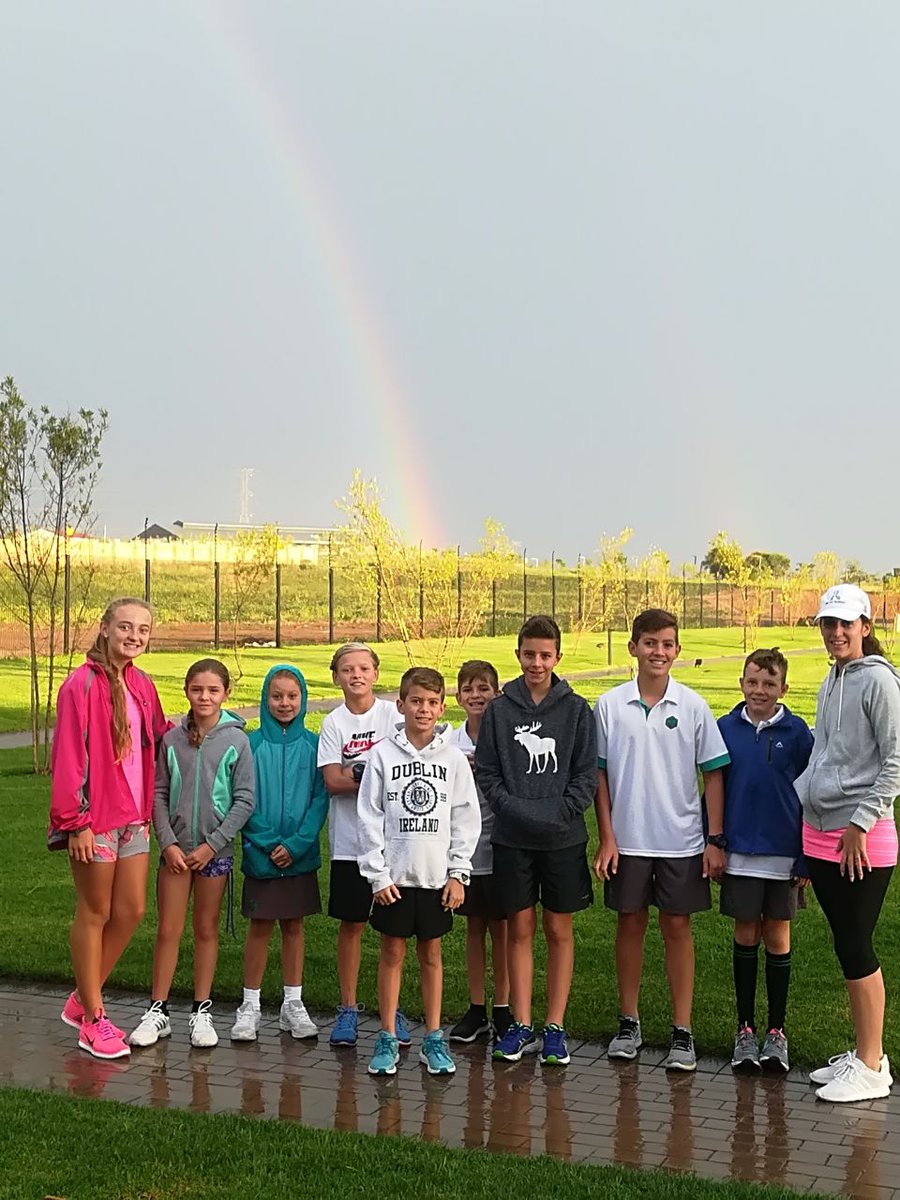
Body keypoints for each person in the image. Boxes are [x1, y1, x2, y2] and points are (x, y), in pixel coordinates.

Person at [594, 608, 729, 1072]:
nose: (659, 651)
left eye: (667, 643)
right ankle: (628, 1022)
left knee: (677, 928)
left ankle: (682, 1030)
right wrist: (607, 838)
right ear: (633, 647)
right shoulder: (609, 705)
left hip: (681, 841)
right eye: (649, 642)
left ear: (678, 650)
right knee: (629, 925)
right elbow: (600, 777)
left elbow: (713, 776)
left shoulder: (693, 706)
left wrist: (714, 840)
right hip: (628, 842)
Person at [475, 615, 597, 1067]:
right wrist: (517, 810)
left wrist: (558, 814)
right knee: (519, 930)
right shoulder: (501, 711)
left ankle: (555, 1027)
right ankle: (521, 1025)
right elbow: (487, 771)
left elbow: (586, 776)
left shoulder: (577, 709)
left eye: (545, 655)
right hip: (512, 838)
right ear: (518, 655)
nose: (537, 663)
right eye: (529, 654)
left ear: (558, 657)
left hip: (562, 838)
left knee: (558, 930)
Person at [50, 597, 169, 1060]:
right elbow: (67, 758)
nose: (134, 636)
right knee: (95, 912)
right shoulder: (79, 686)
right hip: (93, 819)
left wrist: (210, 727)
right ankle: (93, 1021)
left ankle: (82, 998)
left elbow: (160, 734)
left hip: (134, 817)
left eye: (142, 629)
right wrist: (74, 822)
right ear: (104, 628)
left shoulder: (142, 684)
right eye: (125, 626)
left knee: (132, 909)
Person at [795, 585, 900, 1103]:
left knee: (857, 944)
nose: (835, 633)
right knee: (844, 943)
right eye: (828, 624)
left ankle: (872, 1064)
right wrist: (807, 799)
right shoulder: (833, 678)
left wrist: (860, 822)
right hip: (820, 831)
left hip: (860, 837)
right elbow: (824, 750)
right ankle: (864, 1053)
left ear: (865, 624)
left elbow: (895, 761)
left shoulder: (879, 680)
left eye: (845, 623)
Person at [357, 666, 480, 1077]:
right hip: (393, 880)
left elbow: (465, 818)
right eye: (415, 701)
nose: (423, 710)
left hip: (436, 879)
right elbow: (369, 817)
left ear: (442, 707)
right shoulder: (382, 756)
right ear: (401, 705)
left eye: (431, 703)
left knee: (432, 955)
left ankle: (433, 1037)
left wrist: (458, 873)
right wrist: (378, 875)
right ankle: (388, 1035)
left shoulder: (453, 760)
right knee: (391, 953)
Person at [129, 659, 255, 1049]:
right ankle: (158, 1010)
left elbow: (245, 799)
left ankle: (202, 1010)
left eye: (213, 690)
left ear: (225, 694)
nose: (204, 697)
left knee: (205, 929)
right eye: (197, 689)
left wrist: (212, 845)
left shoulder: (237, 741)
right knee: (168, 929)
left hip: (212, 853)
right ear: (186, 691)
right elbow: (159, 793)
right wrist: (166, 842)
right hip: (175, 853)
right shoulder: (171, 740)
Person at [717, 648, 813, 1073]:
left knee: (777, 936)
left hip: (784, 856)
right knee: (745, 934)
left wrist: (807, 854)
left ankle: (777, 1032)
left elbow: (813, 796)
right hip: (738, 852)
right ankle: (745, 1030)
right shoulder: (723, 729)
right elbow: (712, 789)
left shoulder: (798, 733)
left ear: (783, 689)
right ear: (741, 683)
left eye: (769, 684)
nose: (760, 691)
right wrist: (714, 841)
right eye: (752, 682)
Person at [317, 642, 410, 1047]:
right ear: (336, 676)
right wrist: (373, 773)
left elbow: (406, 769)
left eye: (363, 668)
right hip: (349, 844)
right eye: (347, 669)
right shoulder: (333, 724)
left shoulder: (393, 715)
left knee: (395, 931)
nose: (356, 675)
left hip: (396, 843)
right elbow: (333, 782)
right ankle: (349, 1008)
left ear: (375, 673)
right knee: (352, 926)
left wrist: (358, 772)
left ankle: (393, 1011)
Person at [230, 665, 328, 1042]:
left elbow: (321, 799)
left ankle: (293, 1004)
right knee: (260, 927)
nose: (284, 703)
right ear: (265, 699)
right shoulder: (250, 745)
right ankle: (250, 1005)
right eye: (277, 696)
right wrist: (270, 843)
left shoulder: (314, 745)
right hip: (261, 853)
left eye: (292, 696)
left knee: (294, 926)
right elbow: (243, 800)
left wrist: (298, 844)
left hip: (300, 854)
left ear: (302, 698)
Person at [448, 660, 511, 1044]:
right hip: (465, 852)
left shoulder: (506, 739)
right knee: (474, 927)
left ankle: (503, 1009)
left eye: (484, 689)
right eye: (469, 689)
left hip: (501, 845)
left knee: (502, 928)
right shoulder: (449, 743)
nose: (477, 696)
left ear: (496, 694)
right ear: (458, 697)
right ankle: (476, 1008)